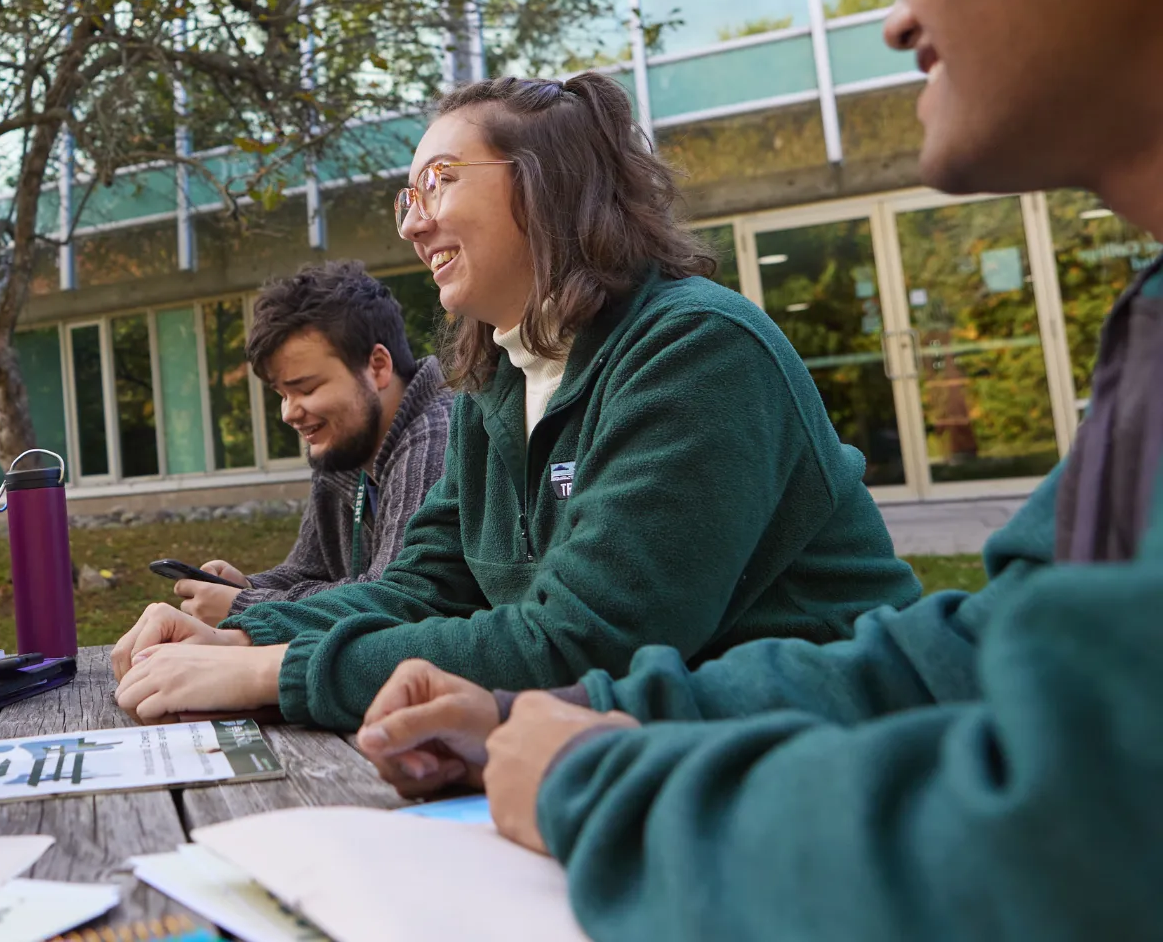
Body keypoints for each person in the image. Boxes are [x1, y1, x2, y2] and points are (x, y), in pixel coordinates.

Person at [357, 0, 1163, 936]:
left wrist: (597, 774)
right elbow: (967, 655)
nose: (897, 15)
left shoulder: (692, 345)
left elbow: (1076, 827)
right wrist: (550, 717)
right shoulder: (1150, 334)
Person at [110, 71, 921, 727]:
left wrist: (270, 670)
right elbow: (424, 587)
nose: (413, 225)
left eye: (437, 183)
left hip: (837, 750)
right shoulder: (497, 382)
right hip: (646, 754)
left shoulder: (697, 350)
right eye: (407, 199)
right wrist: (243, 628)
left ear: (544, 186)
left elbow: (584, 643)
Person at [171, 261, 452, 627]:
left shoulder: (439, 437)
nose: (289, 412)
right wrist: (245, 585)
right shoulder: (346, 443)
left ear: (378, 367)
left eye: (305, 389)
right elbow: (306, 574)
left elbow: (396, 599)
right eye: (282, 393)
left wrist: (245, 605)